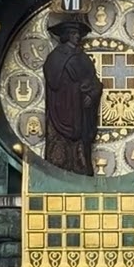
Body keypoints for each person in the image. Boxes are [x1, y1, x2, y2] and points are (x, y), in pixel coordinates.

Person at [41, 13, 103, 175]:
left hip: (81, 111)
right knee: (60, 149)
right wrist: (75, 89)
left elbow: (94, 81)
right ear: (66, 36)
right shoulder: (55, 58)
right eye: (74, 34)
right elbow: (53, 82)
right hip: (63, 109)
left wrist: (92, 95)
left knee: (81, 152)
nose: (77, 37)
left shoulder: (83, 57)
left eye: (78, 34)